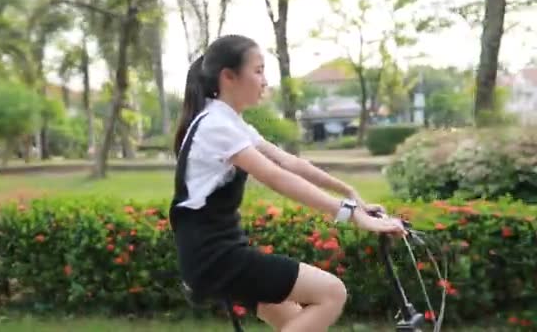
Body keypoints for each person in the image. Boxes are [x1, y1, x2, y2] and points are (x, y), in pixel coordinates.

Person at [168, 34, 407, 332]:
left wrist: (350, 194)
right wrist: (349, 214)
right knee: (332, 293)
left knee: (297, 322)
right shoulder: (216, 125)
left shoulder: (229, 122)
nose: (265, 81)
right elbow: (275, 177)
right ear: (228, 77)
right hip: (215, 258)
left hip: (219, 252)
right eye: (258, 71)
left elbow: (290, 163)